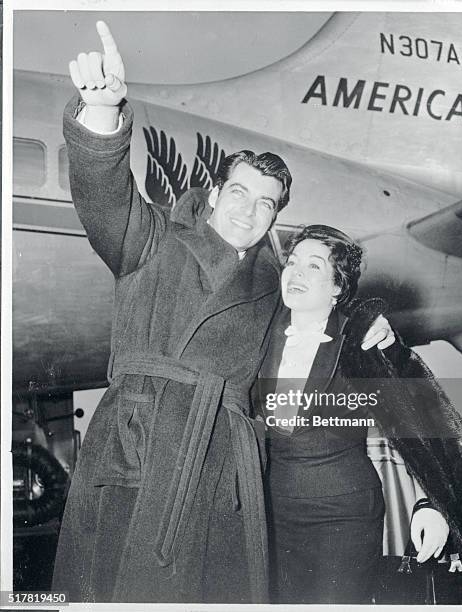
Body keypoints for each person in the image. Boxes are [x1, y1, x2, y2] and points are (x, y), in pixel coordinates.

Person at [51, 22, 395, 604]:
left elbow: (316, 329)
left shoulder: (273, 288)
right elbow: (104, 194)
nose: (249, 210)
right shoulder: (152, 240)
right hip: (138, 451)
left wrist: (367, 320)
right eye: (238, 192)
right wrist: (103, 114)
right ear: (212, 193)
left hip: (221, 474)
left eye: (266, 203)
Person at [254, 225, 462, 604]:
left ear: (336, 286)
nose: (295, 273)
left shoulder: (363, 340)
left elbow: (419, 423)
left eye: (313, 267)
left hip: (342, 516)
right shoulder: (260, 331)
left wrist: (431, 504)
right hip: (269, 513)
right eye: (292, 262)